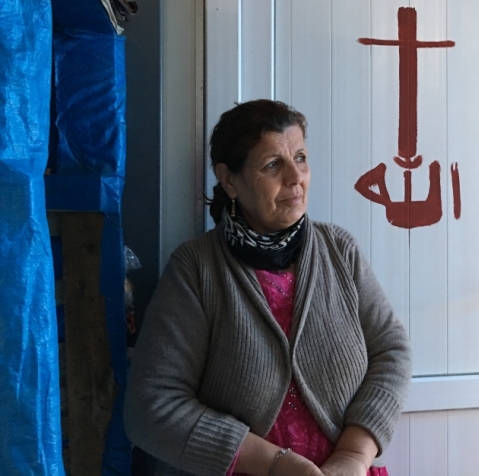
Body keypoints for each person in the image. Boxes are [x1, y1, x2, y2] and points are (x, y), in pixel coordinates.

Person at [124, 100, 412, 476]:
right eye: (273, 164)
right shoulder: (197, 268)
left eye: (301, 157)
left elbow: (392, 351)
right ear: (229, 179)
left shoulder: (340, 250)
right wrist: (275, 464)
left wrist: (354, 455)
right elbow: (151, 408)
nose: (296, 177)